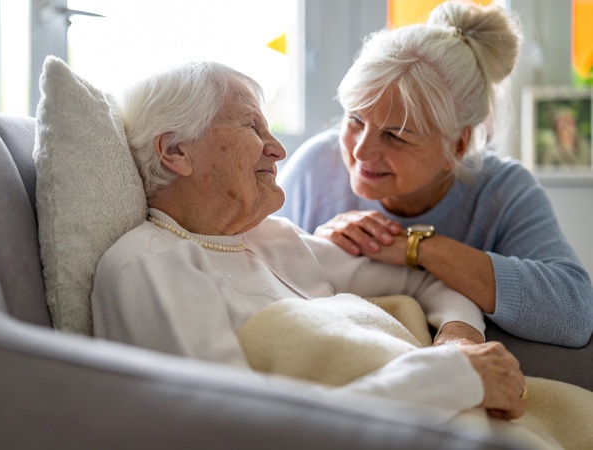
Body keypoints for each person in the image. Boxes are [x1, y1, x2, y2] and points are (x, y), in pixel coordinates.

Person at [90, 60, 526, 421]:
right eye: (252, 127)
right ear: (176, 152)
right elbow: (235, 428)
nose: (278, 149)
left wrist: (458, 339)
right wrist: (453, 378)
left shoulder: (272, 238)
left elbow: (429, 282)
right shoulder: (149, 263)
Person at [274, 1, 593, 348]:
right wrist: (316, 249)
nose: (360, 151)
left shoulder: (503, 191)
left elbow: (575, 313)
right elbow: (253, 273)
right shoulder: (316, 168)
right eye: (355, 120)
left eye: (395, 136)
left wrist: (419, 248)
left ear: (457, 146)